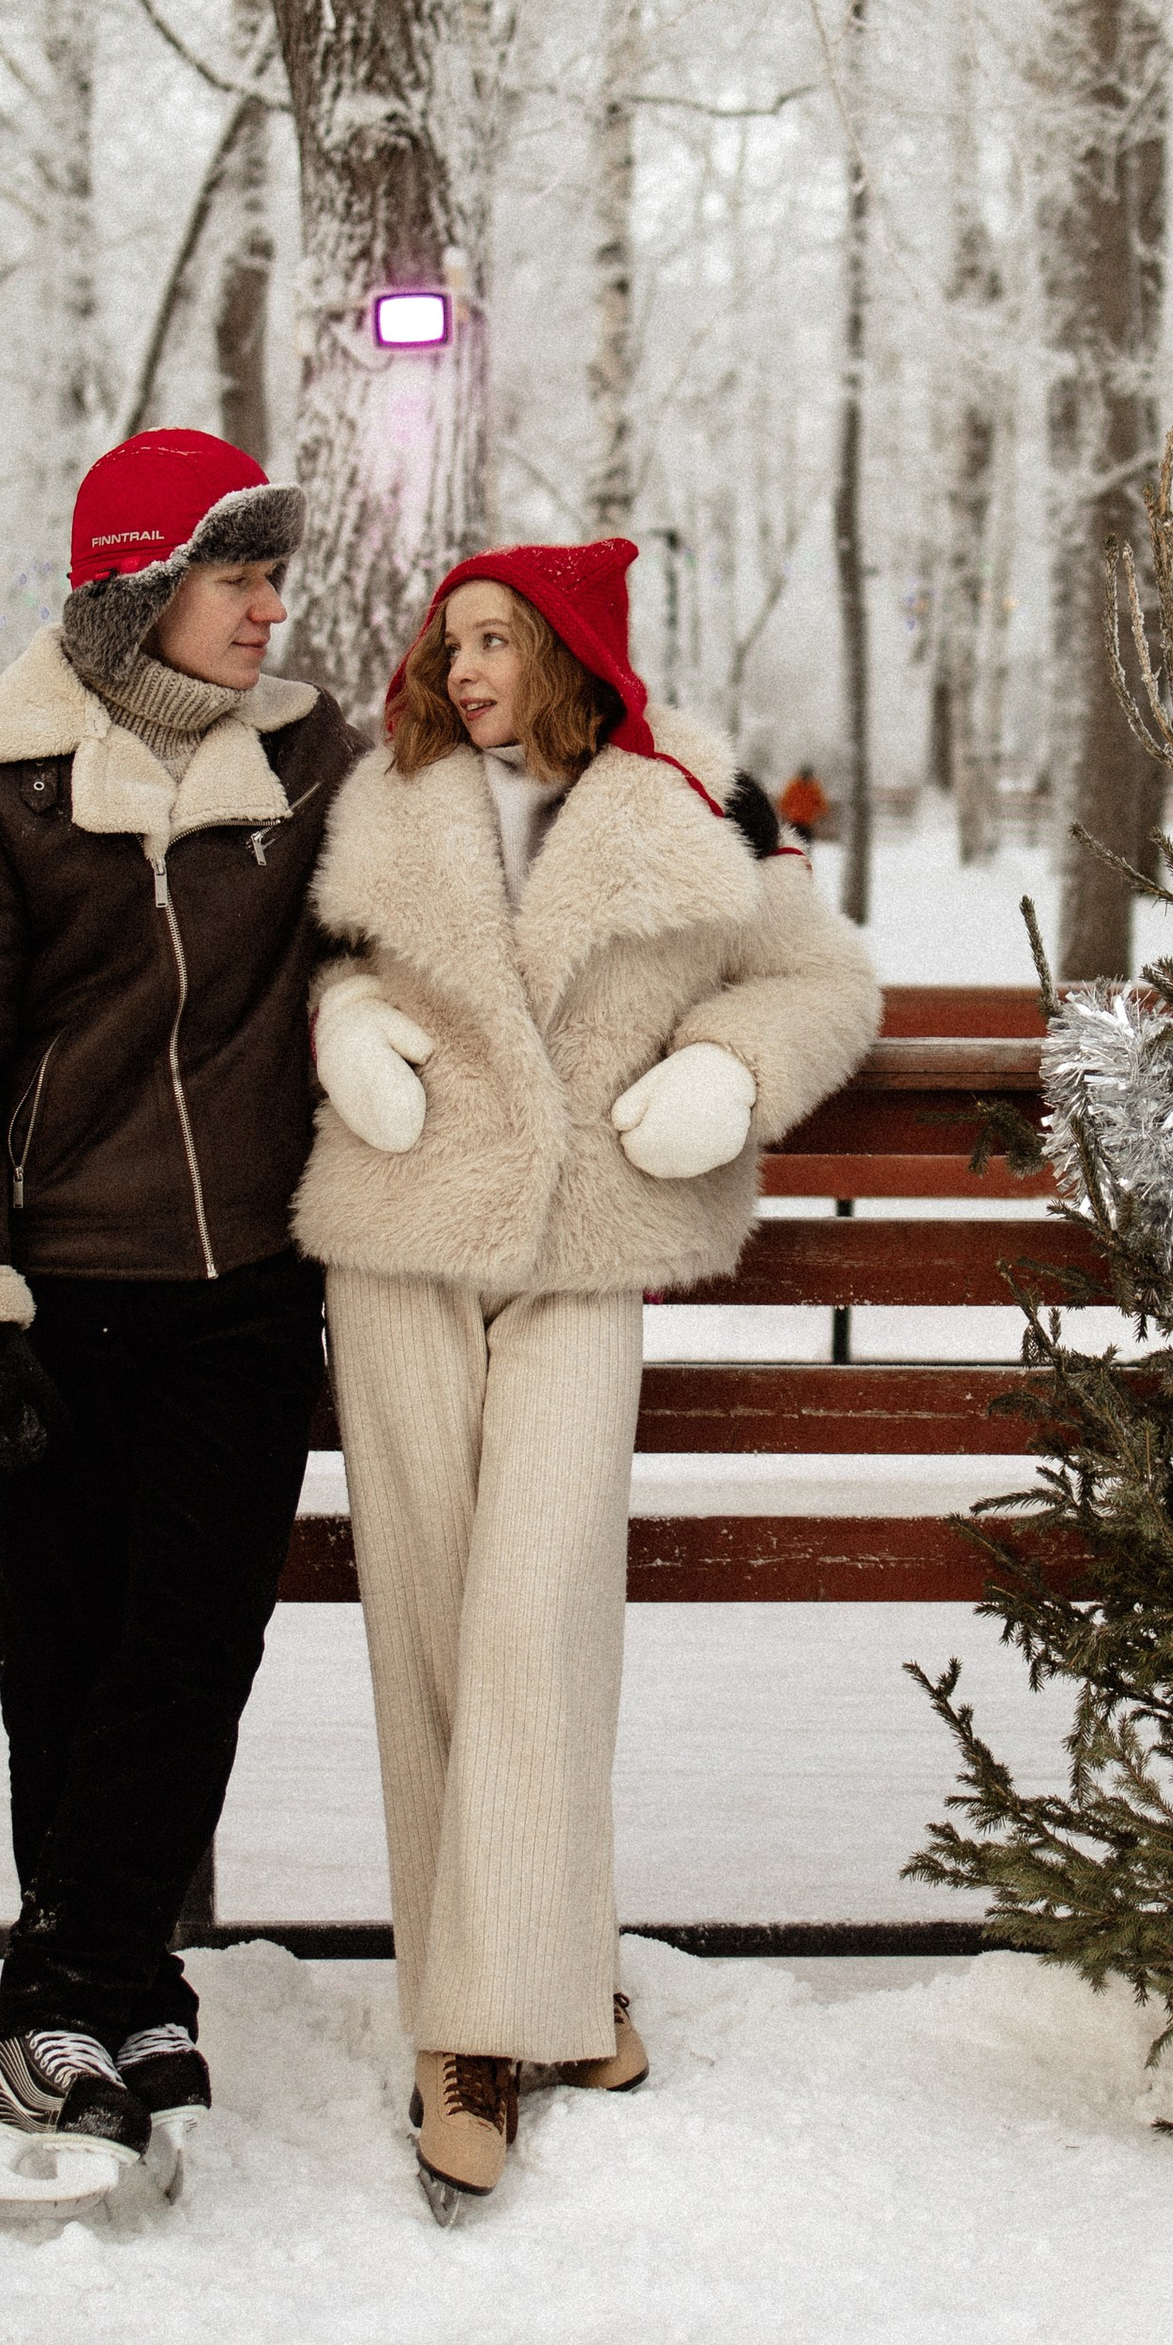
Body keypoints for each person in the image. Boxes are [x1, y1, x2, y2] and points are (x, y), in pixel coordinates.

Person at [293, 537, 880, 2219]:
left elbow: (825, 980)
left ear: (569, 652)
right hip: (400, 1242)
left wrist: (729, 1066)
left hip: (583, 1254)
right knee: (426, 1622)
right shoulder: (389, 800)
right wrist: (347, 1024)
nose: (467, 667)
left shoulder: (687, 804)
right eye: (451, 639)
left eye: (498, 638)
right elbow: (329, 963)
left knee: (537, 1612)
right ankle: (506, 2015)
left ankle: (497, 2014)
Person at [0, 426, 360, 2216]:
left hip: (245, 1299)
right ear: (141, 589)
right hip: (58, 1297)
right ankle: (123, 1992)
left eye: (270, 576)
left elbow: (469, 865)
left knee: (191, 1654)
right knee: (64, 1662)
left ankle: (56, 2003)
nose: (267, 608)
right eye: (235, 576)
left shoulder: (317, 766)